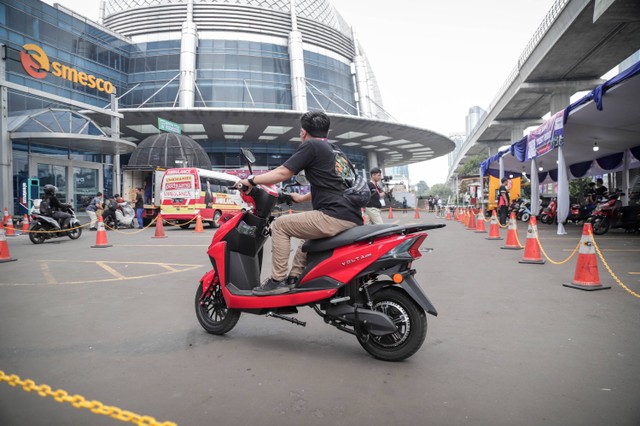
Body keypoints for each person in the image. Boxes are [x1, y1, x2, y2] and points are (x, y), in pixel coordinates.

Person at [239, 110, 363, 296]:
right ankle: (294, 277)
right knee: (307, 234)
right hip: (351, 216)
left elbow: (283, 173)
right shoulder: (335, 151)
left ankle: (277, 280)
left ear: (303, 132)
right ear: (327, 132)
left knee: (280, 225)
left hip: (334, 216)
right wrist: (300, 198)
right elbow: (334, 186)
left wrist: (251, 180)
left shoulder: (311, 146)